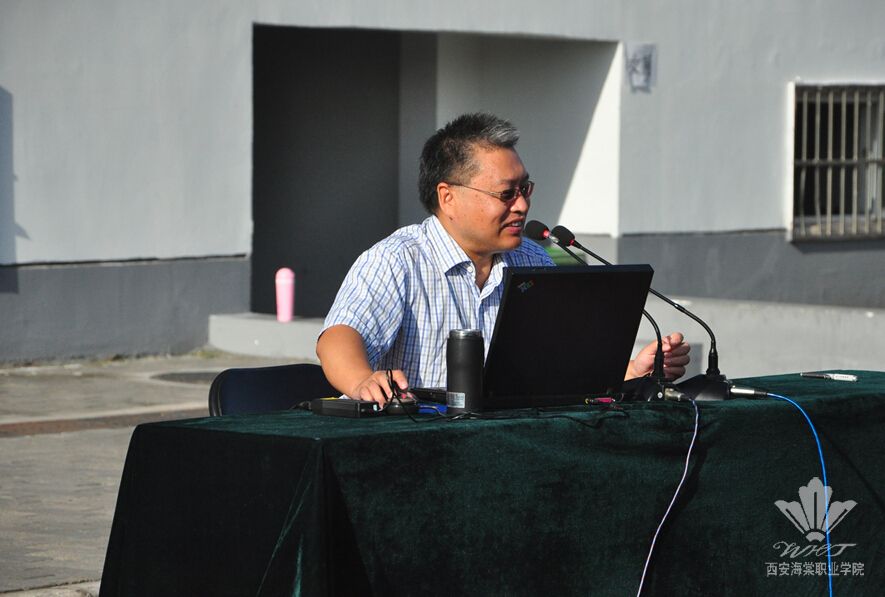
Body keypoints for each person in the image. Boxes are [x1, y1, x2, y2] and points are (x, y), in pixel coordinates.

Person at [316, 113, 690, 404]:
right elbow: (338, 339)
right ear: (448, 197)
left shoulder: (534, 260)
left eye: (525, 189)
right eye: (507, 194)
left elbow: (559, 365)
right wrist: (362, 380)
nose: (522, 205)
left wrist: (632, 371)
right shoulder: (397, 260)